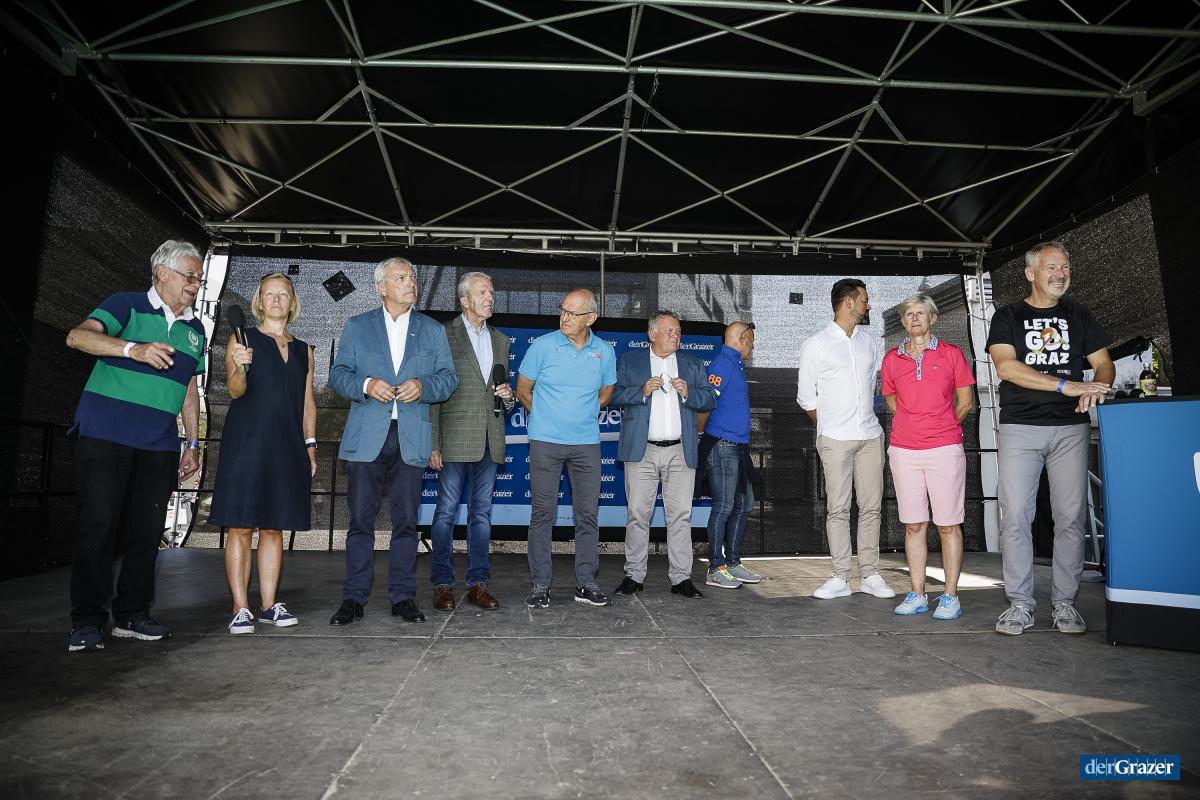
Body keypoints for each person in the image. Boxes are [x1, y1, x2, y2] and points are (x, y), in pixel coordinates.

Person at [64, 240, 206, 652]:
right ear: (162, 272)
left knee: (147, 532)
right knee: (99, 526)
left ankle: (132, 614)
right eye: (189, 275)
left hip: (159, 444)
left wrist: (192, 442)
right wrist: (133, 349)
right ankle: (87, 621)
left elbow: (189, 387)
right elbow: (77, 337)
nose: (195, 284)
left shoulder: (195, 330)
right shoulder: (125, 304)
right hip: (105, 435)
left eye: (199, 278)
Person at [986, 241, 1113, 635]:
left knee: (1071, 518)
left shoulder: (1080, 314)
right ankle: (1020, 605)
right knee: (1016, 518)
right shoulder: (1007, 316)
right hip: (1020, 427)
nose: (1060, 274)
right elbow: (1006, 368)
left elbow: (1104, 364)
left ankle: (1065, 605)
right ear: (1031, 274)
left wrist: (1097, 387)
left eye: (1065, 267)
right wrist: (1065, 385)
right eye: (1051, 267)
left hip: (1071, 429)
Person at [327, 257, 458, 626]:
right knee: (360, 522)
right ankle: (354, 598)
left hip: (411, 438)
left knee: (406, 523)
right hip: (367, 438)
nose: (411, 282)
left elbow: (449, 379)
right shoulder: (357, 326)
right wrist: (367, 385)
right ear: (381, 287)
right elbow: (338, 375)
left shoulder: (432, 329)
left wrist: (423, 386)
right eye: (401, 277)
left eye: (412, 276)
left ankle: (403, 597)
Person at [209, 273, 317, 634]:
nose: (276, 299)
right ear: (259, 301)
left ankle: (269, 605)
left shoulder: (305, 350)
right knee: (240, 526)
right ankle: (240, 607)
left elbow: (307, 402)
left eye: (283, 294)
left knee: (273, 526)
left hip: (287, 446)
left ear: (292, 302)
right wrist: (240, 365)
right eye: (269, 293)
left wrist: (310, 446)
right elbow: (235, 391)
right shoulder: (242, 339)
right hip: (246, 443)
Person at [516, 288, 616, 609]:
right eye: (563, 310)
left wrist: (581, 415)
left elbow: (606, 393)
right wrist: (546, 419)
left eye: (573, 313)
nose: (565, 317)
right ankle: (540, 585)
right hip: (546, 442)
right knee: (542, 515)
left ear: (591, 318)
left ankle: (586, 583)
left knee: (587, 516)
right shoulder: (543, 346)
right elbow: (523, 390)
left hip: (586, 444)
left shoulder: (604, 352)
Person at [796, 279, 895, 601]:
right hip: (835, 439)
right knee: (838, 509)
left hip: (870, 436)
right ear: (849, 302)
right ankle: (840, 577)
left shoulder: (869, 342)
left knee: (871, 508)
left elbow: (871, 387)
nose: (868, 305)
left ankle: (870, 575)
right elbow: (806, 398)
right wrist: (829, 428)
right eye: (864, 300)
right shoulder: (816, 344)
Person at [881, 294, 976, 620]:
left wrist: (941, 426)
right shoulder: (892, 359)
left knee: (948, 525)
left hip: (944, 449)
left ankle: (950, 596)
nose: (915, 318)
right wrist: (915, 425)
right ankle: (918, 594)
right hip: (904, 450)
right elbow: (892, 400)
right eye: (909, 314)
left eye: (921, 313)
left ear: (933, 319)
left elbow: (966, 402)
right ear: (903, 322)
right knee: (913, 524)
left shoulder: (952, 354)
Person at [611, 312, 717, 599]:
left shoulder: (692, 364)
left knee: (681, 516)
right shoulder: (629, 361)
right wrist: (641, 391)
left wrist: (689, 393)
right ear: (652, 334)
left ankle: (681, 578)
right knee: (637, 515)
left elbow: (709, 399)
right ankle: (634, 575)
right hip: (641, 450)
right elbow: (612, 395)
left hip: (681, 451)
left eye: (678, 331)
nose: (676, 335)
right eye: (669, 330)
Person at [428, 272, 514, 611]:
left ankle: (478, 583)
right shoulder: (443, 334)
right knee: (445, 513)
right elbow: (434, 392)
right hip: (452, 440)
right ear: (464, 301)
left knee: (481, 515)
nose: (490, 297)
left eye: (491, 292)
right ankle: (442, 584)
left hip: (490, 439)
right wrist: (433, 443)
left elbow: (503, 395)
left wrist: (507, 397)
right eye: (482, 293)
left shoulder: (501, 340)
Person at [701, 321, 762, 589]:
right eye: (752, 341)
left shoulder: (735, 363)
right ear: (742, 338)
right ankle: (715, 568)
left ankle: (733, 563)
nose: (753, 346)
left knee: (744, 503)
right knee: (724, 506)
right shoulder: (722, 364)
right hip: (722, 445)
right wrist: (704, 437)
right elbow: (705, 403)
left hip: (738, 446)